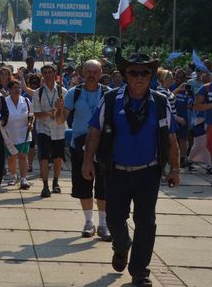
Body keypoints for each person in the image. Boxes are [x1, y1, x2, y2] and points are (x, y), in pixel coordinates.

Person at [83, 53, 180, 287]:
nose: (138, 77)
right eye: (133, 72)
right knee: (115, 218)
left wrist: (175, 168)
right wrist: (87, 161)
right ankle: (121, 244)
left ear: (151, 76)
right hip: (116, 171)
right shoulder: (109, 99)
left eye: (144, 72)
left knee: (146, 221)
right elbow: (94, 132)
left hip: (148, 172)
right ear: (125, 75)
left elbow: (171, 138)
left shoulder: (160, 102)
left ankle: (139, 272)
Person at [64, 60, 111, 240]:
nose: (91, 75)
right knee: (84, 185)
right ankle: (89, 222)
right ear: (82, 72)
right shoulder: (73, 93)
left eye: (95, 72)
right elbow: (61, 119)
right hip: (79, 145)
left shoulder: (108, 94)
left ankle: (103, 224)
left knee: (103, 187)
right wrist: (59, 111)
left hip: (103, 146)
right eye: (88, 71)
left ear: (100, 73)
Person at [33, 64, 67, 198]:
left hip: (58, 130)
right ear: (43, 75)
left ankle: (56, 183)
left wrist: (60, 108)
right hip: (43, 129)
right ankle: (45, 186)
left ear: (55, 74)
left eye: (50, 72)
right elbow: (36, 114)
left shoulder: (62, 91)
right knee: (44, 158)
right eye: (45, 72)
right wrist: (49, 113)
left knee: (58, 158)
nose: (48, 75)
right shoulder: (38, 92)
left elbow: (65, 113)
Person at [0, 79, 33, 189]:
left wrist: (30, 123)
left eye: (19, 87)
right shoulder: (4, 101)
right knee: (11, 157)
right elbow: (0, 116)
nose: (17, 90)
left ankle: (23, 179)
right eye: (14, 88)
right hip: (9, 133)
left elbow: (31, 115)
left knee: (23, 156)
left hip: (24, 132)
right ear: (9, 89)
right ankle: (13, 176)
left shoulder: (26, 100)